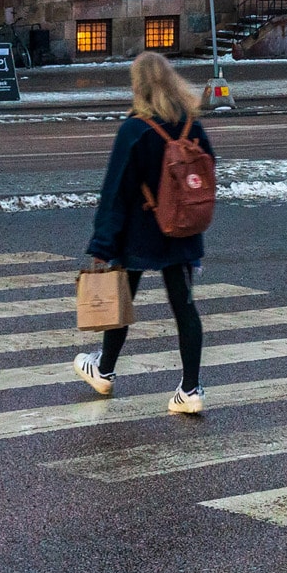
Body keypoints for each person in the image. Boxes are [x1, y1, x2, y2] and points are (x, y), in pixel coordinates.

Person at [75, 51, 211, 414]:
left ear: (138, 86)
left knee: (121, 302)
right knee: (185, 308)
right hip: (182, 230)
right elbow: (207, 170)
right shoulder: (191, 125)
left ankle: (104, 370)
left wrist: (102, 244)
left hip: (138, 232)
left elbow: (115, 191)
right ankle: (190, 389)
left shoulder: (134, 129)